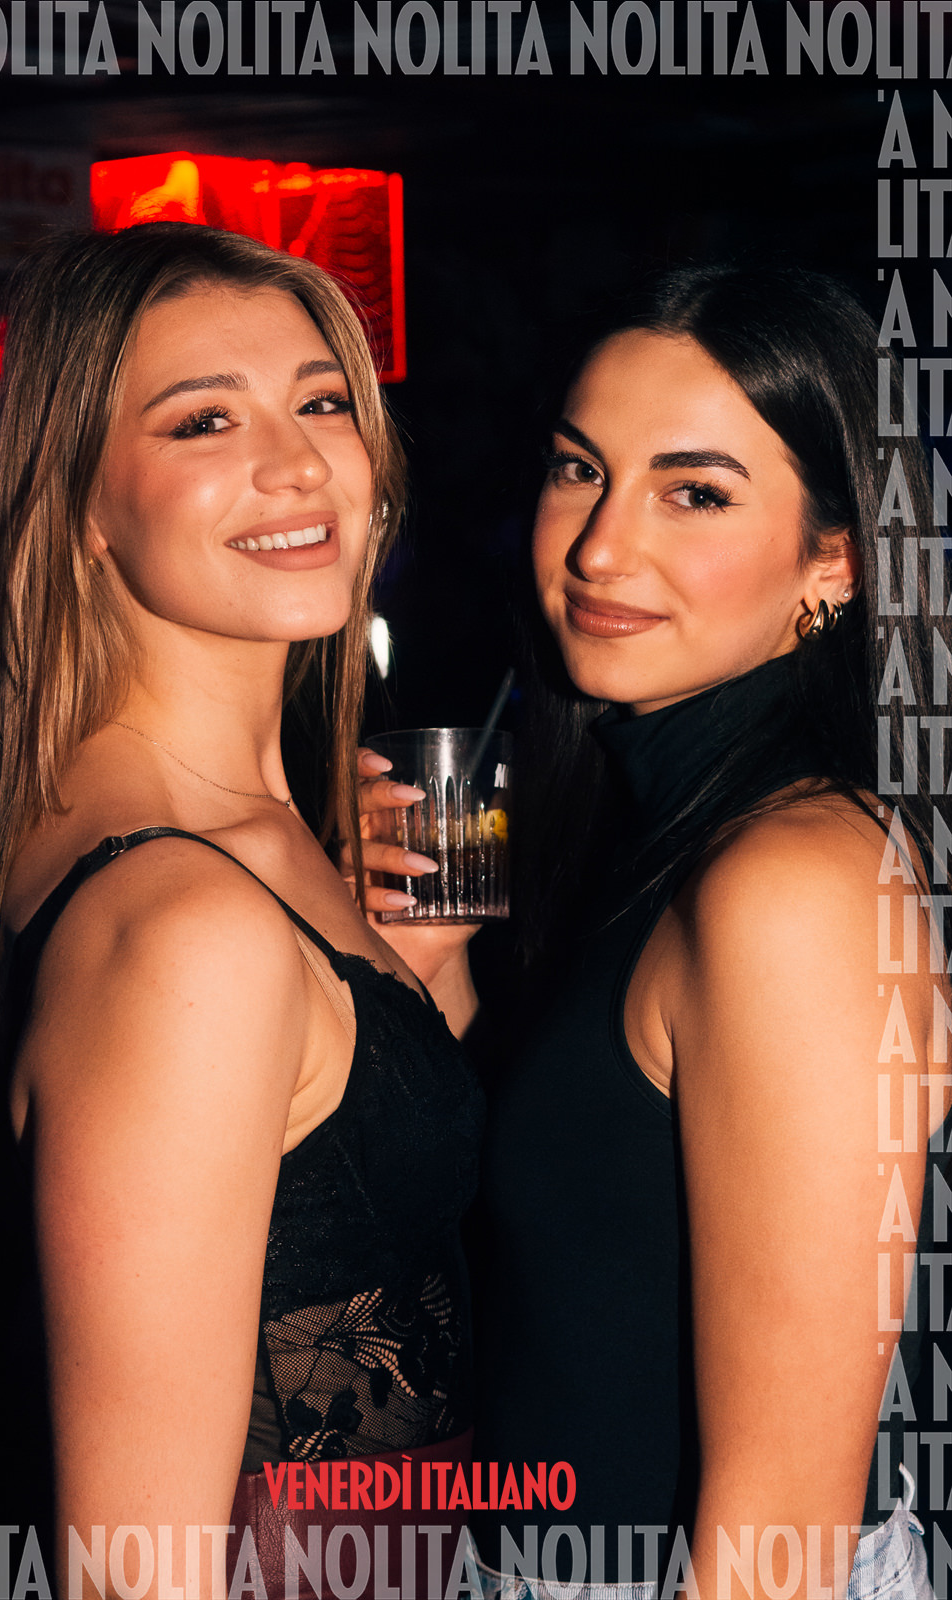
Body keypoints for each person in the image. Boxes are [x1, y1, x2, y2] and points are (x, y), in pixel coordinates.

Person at [358, 264, 951, 1600]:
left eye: (695, 493)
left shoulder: (794, 882)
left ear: (836, 558)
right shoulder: (658, 823)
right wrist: (435, 970)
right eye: (580, 470)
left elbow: (780, 1543)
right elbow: (586, 1232)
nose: (598, 548)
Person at [0, 220, 484, 1600]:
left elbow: (336, 1228)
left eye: (323, 402)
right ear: (83, 503)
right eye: (204, 419)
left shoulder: (248, 842)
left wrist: (416, 982)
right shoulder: (187, 926)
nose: (298, 462)